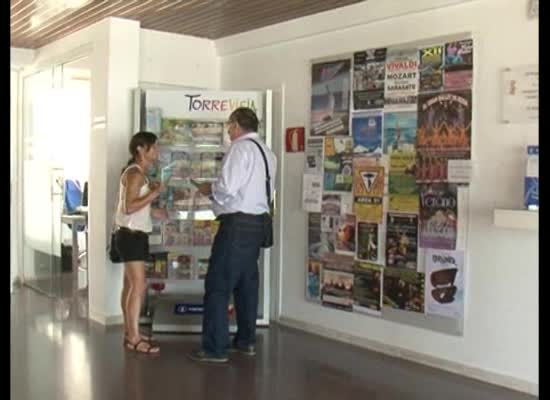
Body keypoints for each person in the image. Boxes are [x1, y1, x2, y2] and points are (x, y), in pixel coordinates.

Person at [188, 107, 277, 363]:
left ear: (237, 125)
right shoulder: (267, 152)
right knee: (247, 284)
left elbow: (227, 187)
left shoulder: (239, 149)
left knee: (218, 285)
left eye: (229, 125)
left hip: (236, 225)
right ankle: (246, 340)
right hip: (258, 225)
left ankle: (215, 348)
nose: (228, 130)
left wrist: (209, 188)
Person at [114, 131, 167, 354]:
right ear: (140, 149)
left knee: (130, 286)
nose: (156, 152)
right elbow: (129, 207)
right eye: (153, 147)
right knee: (138, 285)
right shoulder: (135, 174)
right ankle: (134, 338)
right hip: (131, 237)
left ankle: (130, 331)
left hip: (130, 235)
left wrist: (155, 211)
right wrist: (154, 194)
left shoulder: (139, 174)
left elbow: (135, 208)